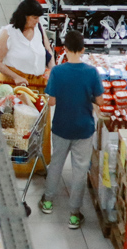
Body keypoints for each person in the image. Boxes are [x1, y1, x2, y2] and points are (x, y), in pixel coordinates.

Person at [39, 31, 106, 229]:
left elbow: (51, 101)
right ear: (83, 49)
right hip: (84, 128)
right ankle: (74, 214)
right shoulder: (92, 72)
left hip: (61, 126)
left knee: (56, 164)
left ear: (65, 49)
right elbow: (100, 101)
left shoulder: (58, 72)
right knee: (79, 170)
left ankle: (48, 202)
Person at [0, 0, 55, 90]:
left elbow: (48, 51)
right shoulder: (8, 33)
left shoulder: (39, 28)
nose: (37, 21)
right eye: (34, 18)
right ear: (25, 16)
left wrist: (52, 73)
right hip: (15, 85)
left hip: (39, 84)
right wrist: (15, 77)